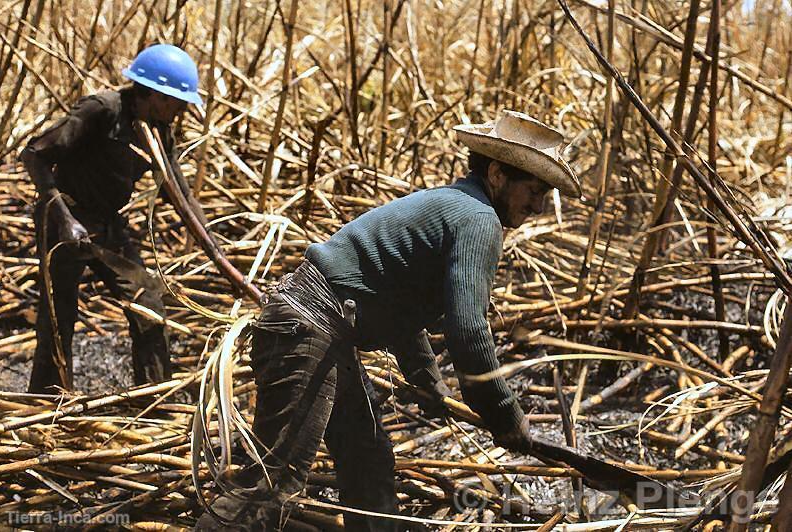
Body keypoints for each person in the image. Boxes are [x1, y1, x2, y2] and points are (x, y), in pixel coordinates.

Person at [195, 110, 582, 531]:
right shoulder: (478, 219)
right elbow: (469, 332)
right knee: (271, 485)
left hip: (321, 328)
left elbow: (399, 301)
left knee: (369, 459)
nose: (540, 207)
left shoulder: (456, 205)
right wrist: (505, 415)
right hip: (310, 325)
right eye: (534, 191)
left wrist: (426, 376)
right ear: (497, 174)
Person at [22, 44, 211, 393]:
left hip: (108, 226)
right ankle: (49, 402)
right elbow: (34, 154)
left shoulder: (158, 127)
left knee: (148, 306)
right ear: (156, 95)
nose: (183, 110)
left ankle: (153, 399)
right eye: (179, 101)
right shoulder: (102, 110)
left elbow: (180, 193)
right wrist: (64, 218)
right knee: (57, 316)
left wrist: (214, 249)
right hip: (63, 218)